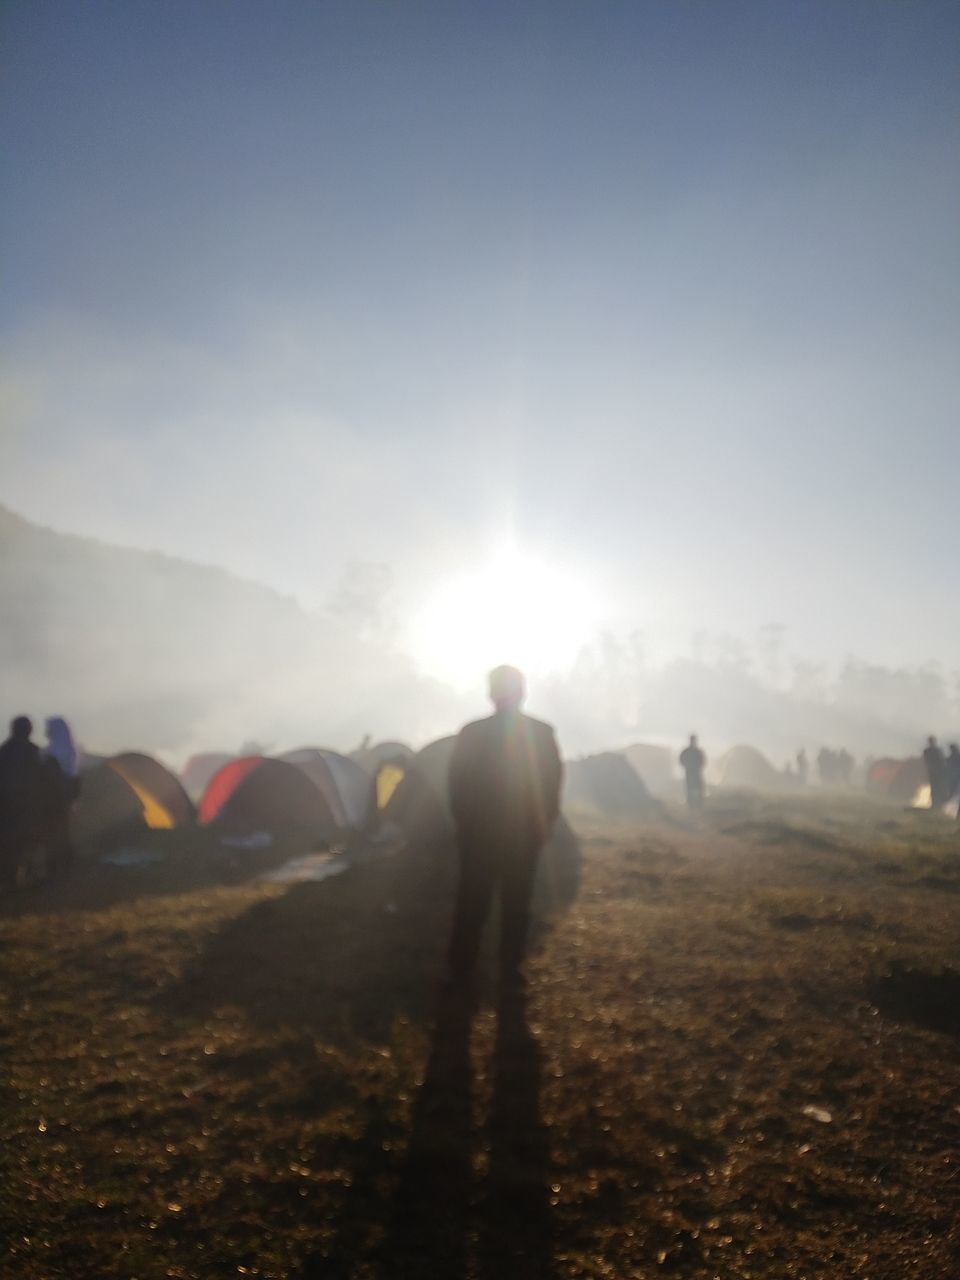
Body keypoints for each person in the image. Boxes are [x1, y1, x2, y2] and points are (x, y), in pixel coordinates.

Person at [446, 665, 563, 990]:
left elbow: (456, 784)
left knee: (472, 901)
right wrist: (543, 826)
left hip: (480, 835)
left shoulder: (472, 732)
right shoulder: (541, 733)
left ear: (490, 693)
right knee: (516, 903)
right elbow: (552, 785)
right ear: (523, 692)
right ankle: (509, 968)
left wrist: (465, 824)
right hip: (521, 835)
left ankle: (462, 967)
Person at [0, 716, 43, 890]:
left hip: (7, 807)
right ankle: (21, 876)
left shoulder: (4, 751)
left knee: (9, 845)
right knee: (25, 844)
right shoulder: (33, 751)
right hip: (27, 807)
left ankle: (9, 878)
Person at [41, 716, 80, 877]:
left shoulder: (52, 752)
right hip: (64, 799)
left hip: (51, 799)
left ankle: (54, 868)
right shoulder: (70, 750)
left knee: (52, 834)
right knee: (62, 833)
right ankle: (65, 867)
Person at [679, 734, 706, 814]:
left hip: (694, 772)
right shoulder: (691, 751)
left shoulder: (695, 751)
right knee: (691, 789)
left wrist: (697, 767)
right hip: (691, 773)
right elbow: (681, 760)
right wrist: (687, 766)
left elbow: (702, 761)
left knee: (697, 789)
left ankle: (698, 805)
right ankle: (692, 806)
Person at [923, 736, 947, 808]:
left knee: (935, 788)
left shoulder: (927, 751)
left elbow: (926, 761)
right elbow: (941, 761)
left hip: (933, 772)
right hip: (937, 772)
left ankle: (936, 803)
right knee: (937, 787)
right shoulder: (937, 750)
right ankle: (937, 803)